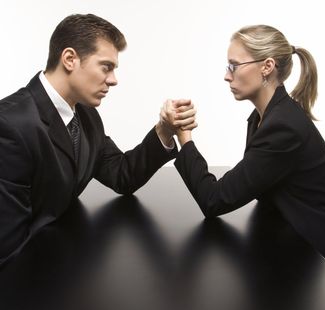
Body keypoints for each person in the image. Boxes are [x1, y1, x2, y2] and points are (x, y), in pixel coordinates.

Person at [0, 14, 196, 265]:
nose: (114, 80)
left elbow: (122, 175)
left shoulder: (87, 115)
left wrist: (165, 129)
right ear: (70, 59)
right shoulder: (9, 125)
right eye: (106, 67)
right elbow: (8, 248)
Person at [162, 24, 325, 280]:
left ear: (267, 66)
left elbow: (214, 200)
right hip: (289, 237)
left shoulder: (283, 126)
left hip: (323, 250)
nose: (227, 76)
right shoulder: (262, 117)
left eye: (234, 65)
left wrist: (184, 138)